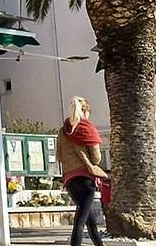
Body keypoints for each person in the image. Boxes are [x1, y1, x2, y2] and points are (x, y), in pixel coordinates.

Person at [58, 96, 106, 246]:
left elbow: (59, 155)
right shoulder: (87, 129)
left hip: (70, 181)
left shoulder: (63, 131)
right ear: (85, 111)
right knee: (81, 220)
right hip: (86, 180)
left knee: (89, 219)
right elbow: (96, 158)